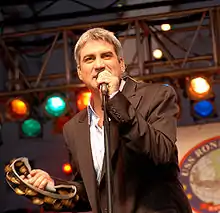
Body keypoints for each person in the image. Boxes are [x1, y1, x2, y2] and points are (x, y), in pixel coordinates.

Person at [23, 28, 192, 213]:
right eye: (89, 59)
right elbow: (91, 192)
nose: (99, 65)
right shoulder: (73, 128)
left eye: (106, 56)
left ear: (121, 64)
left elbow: (161, 154)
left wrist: (115, 99)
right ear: (80, 72)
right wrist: (52, 187)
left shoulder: (156, 96)